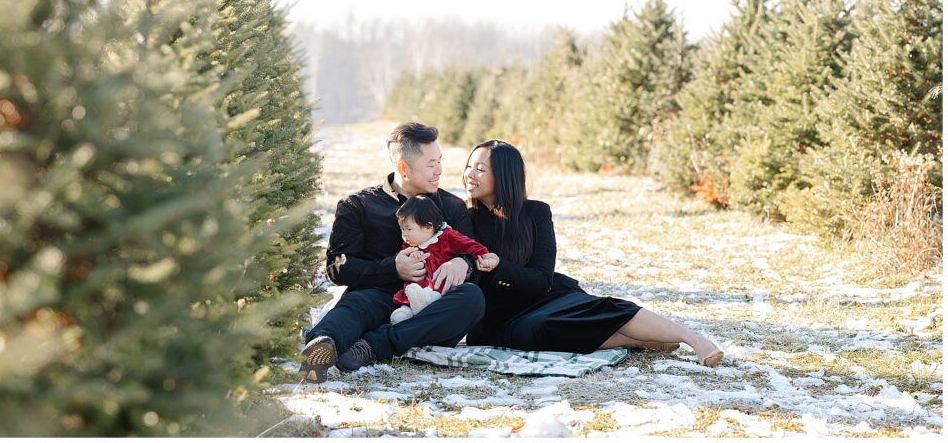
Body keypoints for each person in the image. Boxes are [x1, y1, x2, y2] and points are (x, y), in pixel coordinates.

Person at [462, 139, 724, 367]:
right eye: (469, 166)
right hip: (499, 319)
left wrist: (500, 265)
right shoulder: (464, 218)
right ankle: (639, 341)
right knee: (545, 327)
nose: (469, 174)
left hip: (543, 297)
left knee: (602, 309)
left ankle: (694, 338)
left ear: (505, 176)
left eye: (480, 169)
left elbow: (542, 279)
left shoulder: (536, 213)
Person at [299, 122, 486, 382]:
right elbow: (337, 269)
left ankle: (371, 345)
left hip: (431, 304)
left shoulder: (453, 207)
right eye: (431, 164)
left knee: (472, 298)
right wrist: (392, 268)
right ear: (403, 168)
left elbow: (474, 256)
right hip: (378, 296)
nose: (440, 170)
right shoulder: (358, 205)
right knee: (356, 304)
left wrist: (464, 264)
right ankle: (321, 346)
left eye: (440, 161)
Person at [390, 196, 499, 324]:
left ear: (428, 227)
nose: (405, 234)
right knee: (404, 309)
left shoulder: (447, 236)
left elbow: (471, 246)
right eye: (402, 229)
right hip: (415, 289)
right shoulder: (410, 244)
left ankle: (425, 304)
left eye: (409, 229)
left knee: (435, 296)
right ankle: (407, 310)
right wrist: (409, 259)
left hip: (438, 289)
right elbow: (402, 258)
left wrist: (486, 257)